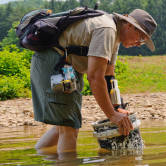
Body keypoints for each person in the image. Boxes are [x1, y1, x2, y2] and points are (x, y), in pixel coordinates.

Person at [31, 8, 157, 159]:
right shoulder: (107, 29)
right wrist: (112, 115)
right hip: (53, 63)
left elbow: (108, 75)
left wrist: (118, 107)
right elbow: (95, 77)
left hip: (68, 67)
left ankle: (38, 156)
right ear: (129, 25)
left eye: (143, 41)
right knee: (69, 126)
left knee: (66, 123)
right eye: (141, 37)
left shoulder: (115, 36)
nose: (139, 43)